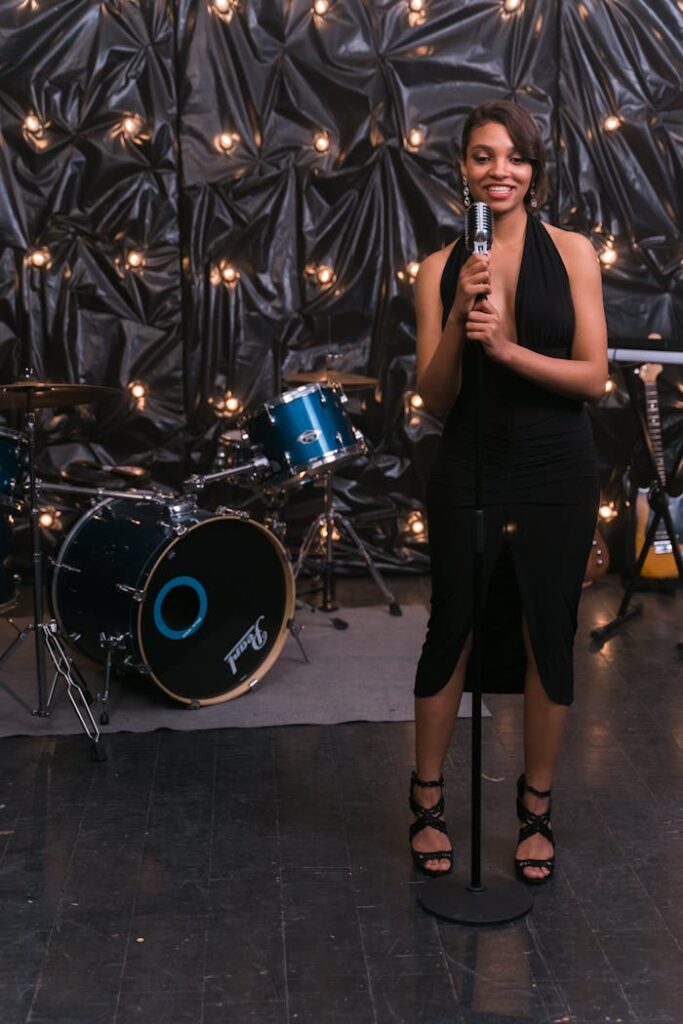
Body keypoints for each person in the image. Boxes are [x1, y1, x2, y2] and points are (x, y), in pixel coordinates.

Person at [409, 99, 608, 884]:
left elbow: (591, 377)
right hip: (469, 463)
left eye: (515, 158)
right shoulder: (438, 268)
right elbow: (433, 395)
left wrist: (512, 350)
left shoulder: (575, 253)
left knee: (545, 632)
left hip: (557, 466)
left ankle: (535, 809)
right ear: (461, 167)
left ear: (534, 170)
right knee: (451, 627)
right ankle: (426, 799)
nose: (499, 172)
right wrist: (460, 317)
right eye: (483, 157)